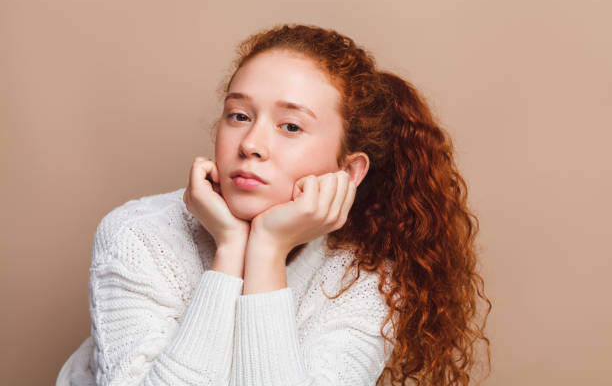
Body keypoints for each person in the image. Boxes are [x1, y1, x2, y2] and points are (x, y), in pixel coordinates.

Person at [56, 23, 491, 386]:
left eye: (290, 126)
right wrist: (230, 250)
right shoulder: (137, 235)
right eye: (239, 116)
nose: (251, 144)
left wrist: (266, 251)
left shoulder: (367, 276)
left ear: (350, 170)